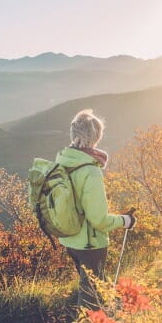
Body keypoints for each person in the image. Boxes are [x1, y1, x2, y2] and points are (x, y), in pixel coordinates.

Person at [56, 109, 136, 309]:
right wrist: (125, 221)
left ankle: (100, 318)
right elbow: (99, 220)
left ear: (74, 133)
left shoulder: (62, 161)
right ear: (96, 136)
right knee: (91, 295)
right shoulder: (90, 170)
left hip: (69, 238)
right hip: (90, 243)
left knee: (92, 284)